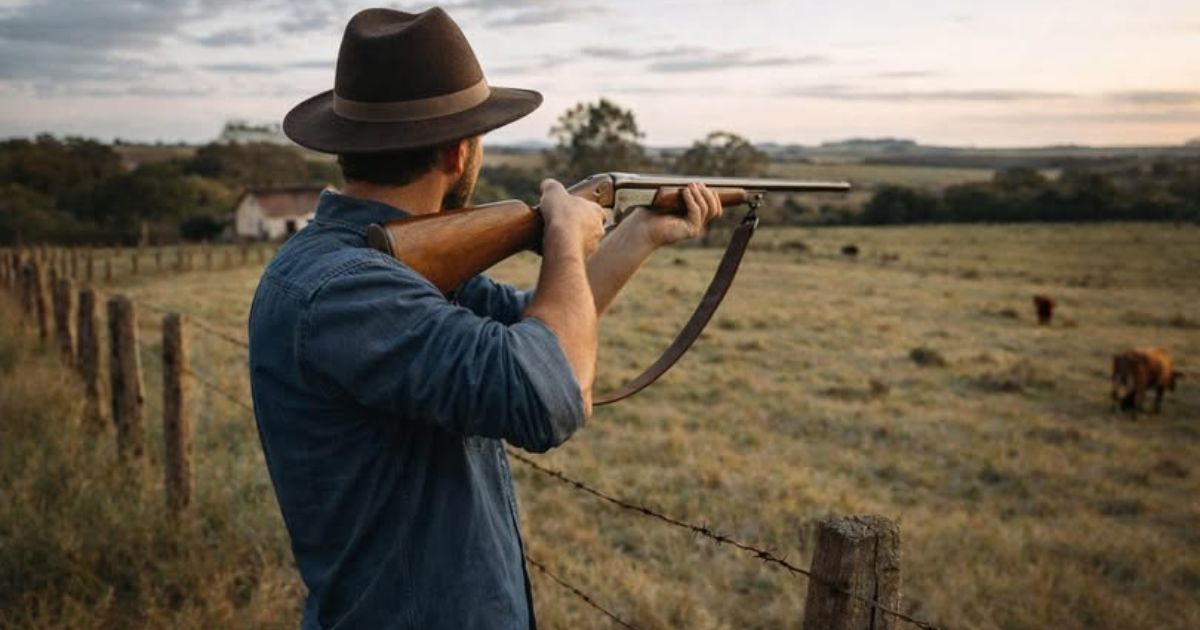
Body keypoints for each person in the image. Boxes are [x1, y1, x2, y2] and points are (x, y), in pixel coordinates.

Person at [249, 6, 722, 629]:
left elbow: (537, 322)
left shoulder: (387, 264)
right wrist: (560, 236)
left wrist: (638, 235)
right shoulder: (345, 287)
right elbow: (548, 390)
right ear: (458, 152)